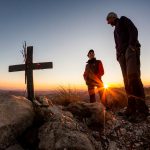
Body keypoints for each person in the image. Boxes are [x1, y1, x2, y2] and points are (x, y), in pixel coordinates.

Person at [106, 12, 149, 121]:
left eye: (108, 20)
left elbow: (133, 30)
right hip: (122, 56)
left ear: (113, 17)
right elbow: (117, 45)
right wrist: (118, 55)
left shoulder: (123, 20)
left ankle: (142, 110)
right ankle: (131, 108)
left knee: (133, 77)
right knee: (126, 81)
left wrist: (131, 46)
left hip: (130, 50)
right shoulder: (114, 31)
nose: (107, 22)